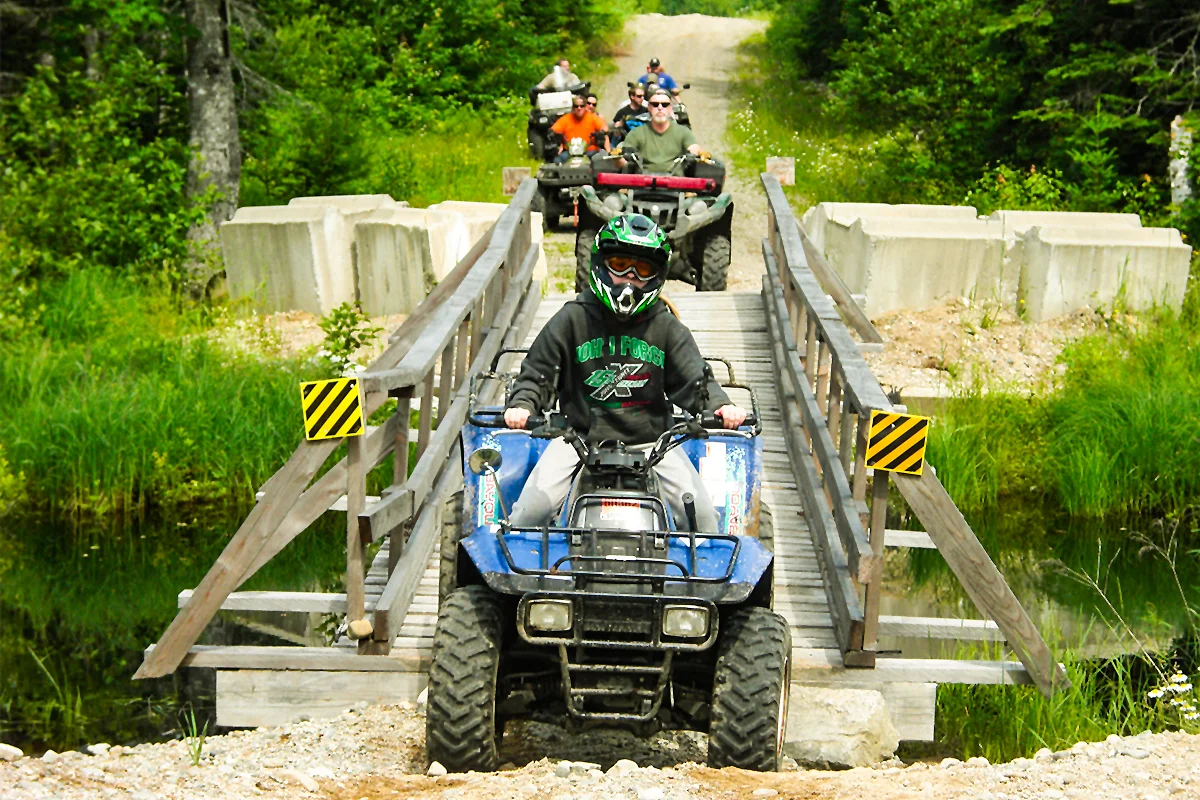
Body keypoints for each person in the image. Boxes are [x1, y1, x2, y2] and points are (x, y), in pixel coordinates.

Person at [503, 214, 747, 532]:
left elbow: (696, 379)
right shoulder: (571, 320)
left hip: (652, 445)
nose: (630, 279)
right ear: (602, 264)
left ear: (657, 275)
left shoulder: (666, 327)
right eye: (619, 265)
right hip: (576, 439)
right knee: (528, 514)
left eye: (642, 270)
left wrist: (719, 406)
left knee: (703, 519)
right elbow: (537, 374)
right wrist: (523, 406)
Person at [618, 88, 703, 173]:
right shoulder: (636, 133)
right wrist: (620, 158)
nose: (660, 108)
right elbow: (622, 160)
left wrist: (692, 153)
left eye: (664, 105)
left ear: (670, 108)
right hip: (644, 183)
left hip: (676, 183)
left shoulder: (683, 132)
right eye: (655, 104)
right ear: (649, 107)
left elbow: (694, 147)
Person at [550, 96, 608, 162]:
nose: (579, 108)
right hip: (570, 152)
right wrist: (553, 133)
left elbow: (604, 127)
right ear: (573, 107)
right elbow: (554, 129)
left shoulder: (593, 117)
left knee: (599, 159)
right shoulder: (566, 118)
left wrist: (602, 132)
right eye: (576, 106)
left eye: (581, 106)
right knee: (557, 160)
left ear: (585, 107)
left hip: (590, 151)